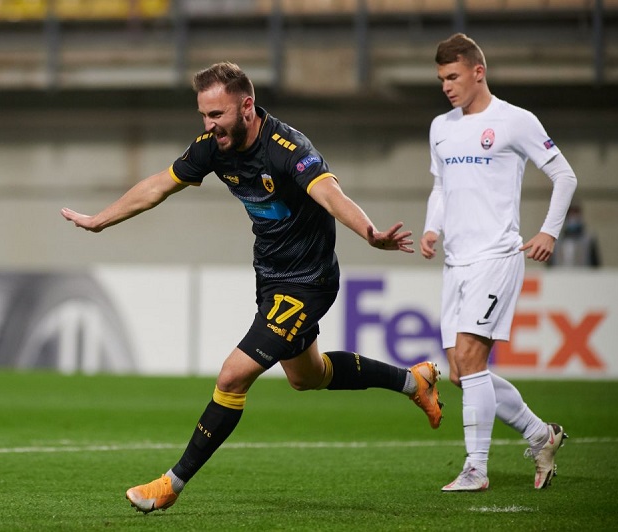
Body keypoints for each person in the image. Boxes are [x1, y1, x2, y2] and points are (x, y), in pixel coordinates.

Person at [62, 61, 443, 513]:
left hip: (308, 282)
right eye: (204, 115)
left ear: (247, 107)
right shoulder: (213, 147)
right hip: (270, 277)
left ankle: (170, 484)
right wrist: (100, 220)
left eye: (217, 115)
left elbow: (329, 193)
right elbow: (159, 185)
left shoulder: (288, 148)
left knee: (232, 376)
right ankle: (413, 381)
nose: (209, 125)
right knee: (308, 377)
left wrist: (369, 232)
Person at [419, 33, 578, 492]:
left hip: (496, 257)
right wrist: (432, 228)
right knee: (460, 372)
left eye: (453, 77)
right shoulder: (441, 127)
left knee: (471, 359)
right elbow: (440, 186)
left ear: (478, 71)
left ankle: (476, 468)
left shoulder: (515, 120)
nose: (446, 86)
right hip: (456, 262)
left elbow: (564, 175)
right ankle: (541, 434)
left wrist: (549, 231)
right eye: (441, 79)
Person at [547, 203, 601, 268]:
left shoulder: (589, 240)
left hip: (583, 273)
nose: (573, 217)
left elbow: (595, 265)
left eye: (575, 212)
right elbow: (549, 265)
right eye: (570, 213)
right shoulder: (555, 240)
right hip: (560, 273)